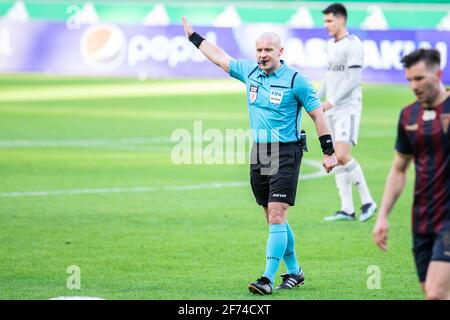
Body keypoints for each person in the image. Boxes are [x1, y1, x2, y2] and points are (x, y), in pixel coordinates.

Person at [182, 17, 337, 295]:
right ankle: (295, 272)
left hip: (286, 151)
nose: (263, 55)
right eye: (259, 50)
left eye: (268, 50)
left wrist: (329, 151)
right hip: (261, 153)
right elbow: (220, 58)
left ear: (281, 52)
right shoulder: (249, 71)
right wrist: (195, 38)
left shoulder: (296, 80)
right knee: (271, 217)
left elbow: (317, 114)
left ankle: (266, 278)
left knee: (277, 214)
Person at [373, 48, 450, 300]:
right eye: (409, 80)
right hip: (422, 219)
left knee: (435, 294)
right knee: (430, 290)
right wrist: (382, 216)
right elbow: (399, 168)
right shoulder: (408, 115)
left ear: (437, 74)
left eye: (419, 79)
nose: (413, 85)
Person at [318, 3, 377, 222]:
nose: (326, 25)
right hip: (331, 109)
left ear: (341, 20)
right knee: (334, 157)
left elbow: (354, 80)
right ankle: (347, 208)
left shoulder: (353, 44)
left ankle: (368, 201)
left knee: (342, 155)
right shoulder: (331, 45)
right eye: (325, 21)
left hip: (348, 108)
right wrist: (316, 99)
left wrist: (331, 102)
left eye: (329, 21)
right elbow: (328, 77)